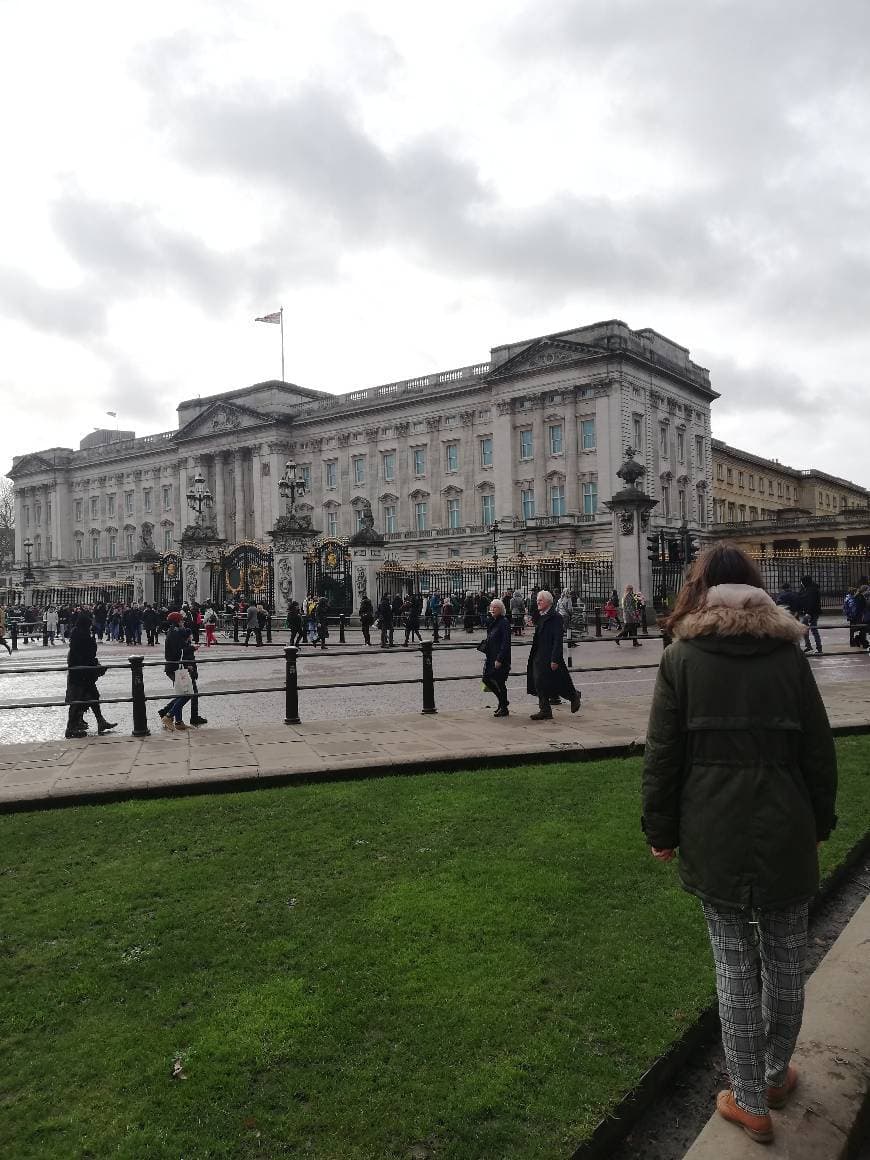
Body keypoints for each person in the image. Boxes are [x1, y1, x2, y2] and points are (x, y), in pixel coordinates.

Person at [642, 543, 837, 1145]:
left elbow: (663, 758)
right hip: (786, 824)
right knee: (784, 958)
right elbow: (818, 751)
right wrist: (820, 819)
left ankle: (749, 1100)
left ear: (699, 589)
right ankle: (775, 1075)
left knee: (734, 965)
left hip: (712, 827)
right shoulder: (788, 656)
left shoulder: (681, 658)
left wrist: (661, 831)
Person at [526, 590, 582, 720]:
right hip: (539, 653)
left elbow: (557, 639)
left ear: (548, 602)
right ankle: (545, 710)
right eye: (537, 600)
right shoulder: (541, 615)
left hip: (550, 654)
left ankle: (573, 695)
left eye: (541, 600)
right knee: (539, 681)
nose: (537, 602)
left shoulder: (556, 617)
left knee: (557, 681)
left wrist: (555, 658)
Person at [64, 611, 117, 738]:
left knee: (92, 697)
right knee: (78, 700)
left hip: (82, 673)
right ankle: (71, 727)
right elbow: (86, 656)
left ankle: (100, 721)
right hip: (81, 674)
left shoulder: (78, 635)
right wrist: (95, 666)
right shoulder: (82, 637)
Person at [158, 611, 193, 731]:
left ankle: (178, 722)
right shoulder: (175, 633)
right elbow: (179, 651)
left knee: (180, 693)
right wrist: (191, 647)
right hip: (175, 668)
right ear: (177, 621)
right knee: (187, 693)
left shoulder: (173, 632)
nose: (183, 622)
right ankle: (169, 716)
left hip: (176, 666)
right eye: (182, 620)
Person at [480, 599, 511, 716]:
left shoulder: (504, 622)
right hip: (491, 656)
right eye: (491, 607)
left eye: (495, 607)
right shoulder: (493, 621)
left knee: (500, 682)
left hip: (499, 658)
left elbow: (505, 642)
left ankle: (504, 707)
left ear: (501, 609)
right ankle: (503, 702)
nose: (492, 609)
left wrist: (500, 658)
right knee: (486, 679)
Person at [798, 575, 822, 655]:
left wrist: (808, 613)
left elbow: (811, 602)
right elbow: (801, 597)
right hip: (808, 612)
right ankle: (808, 646)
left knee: (813, 629)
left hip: (812, 612)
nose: (801, 583)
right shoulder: (807, 589)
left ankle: (819, 648)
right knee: (805, 628)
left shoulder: (812, 590)